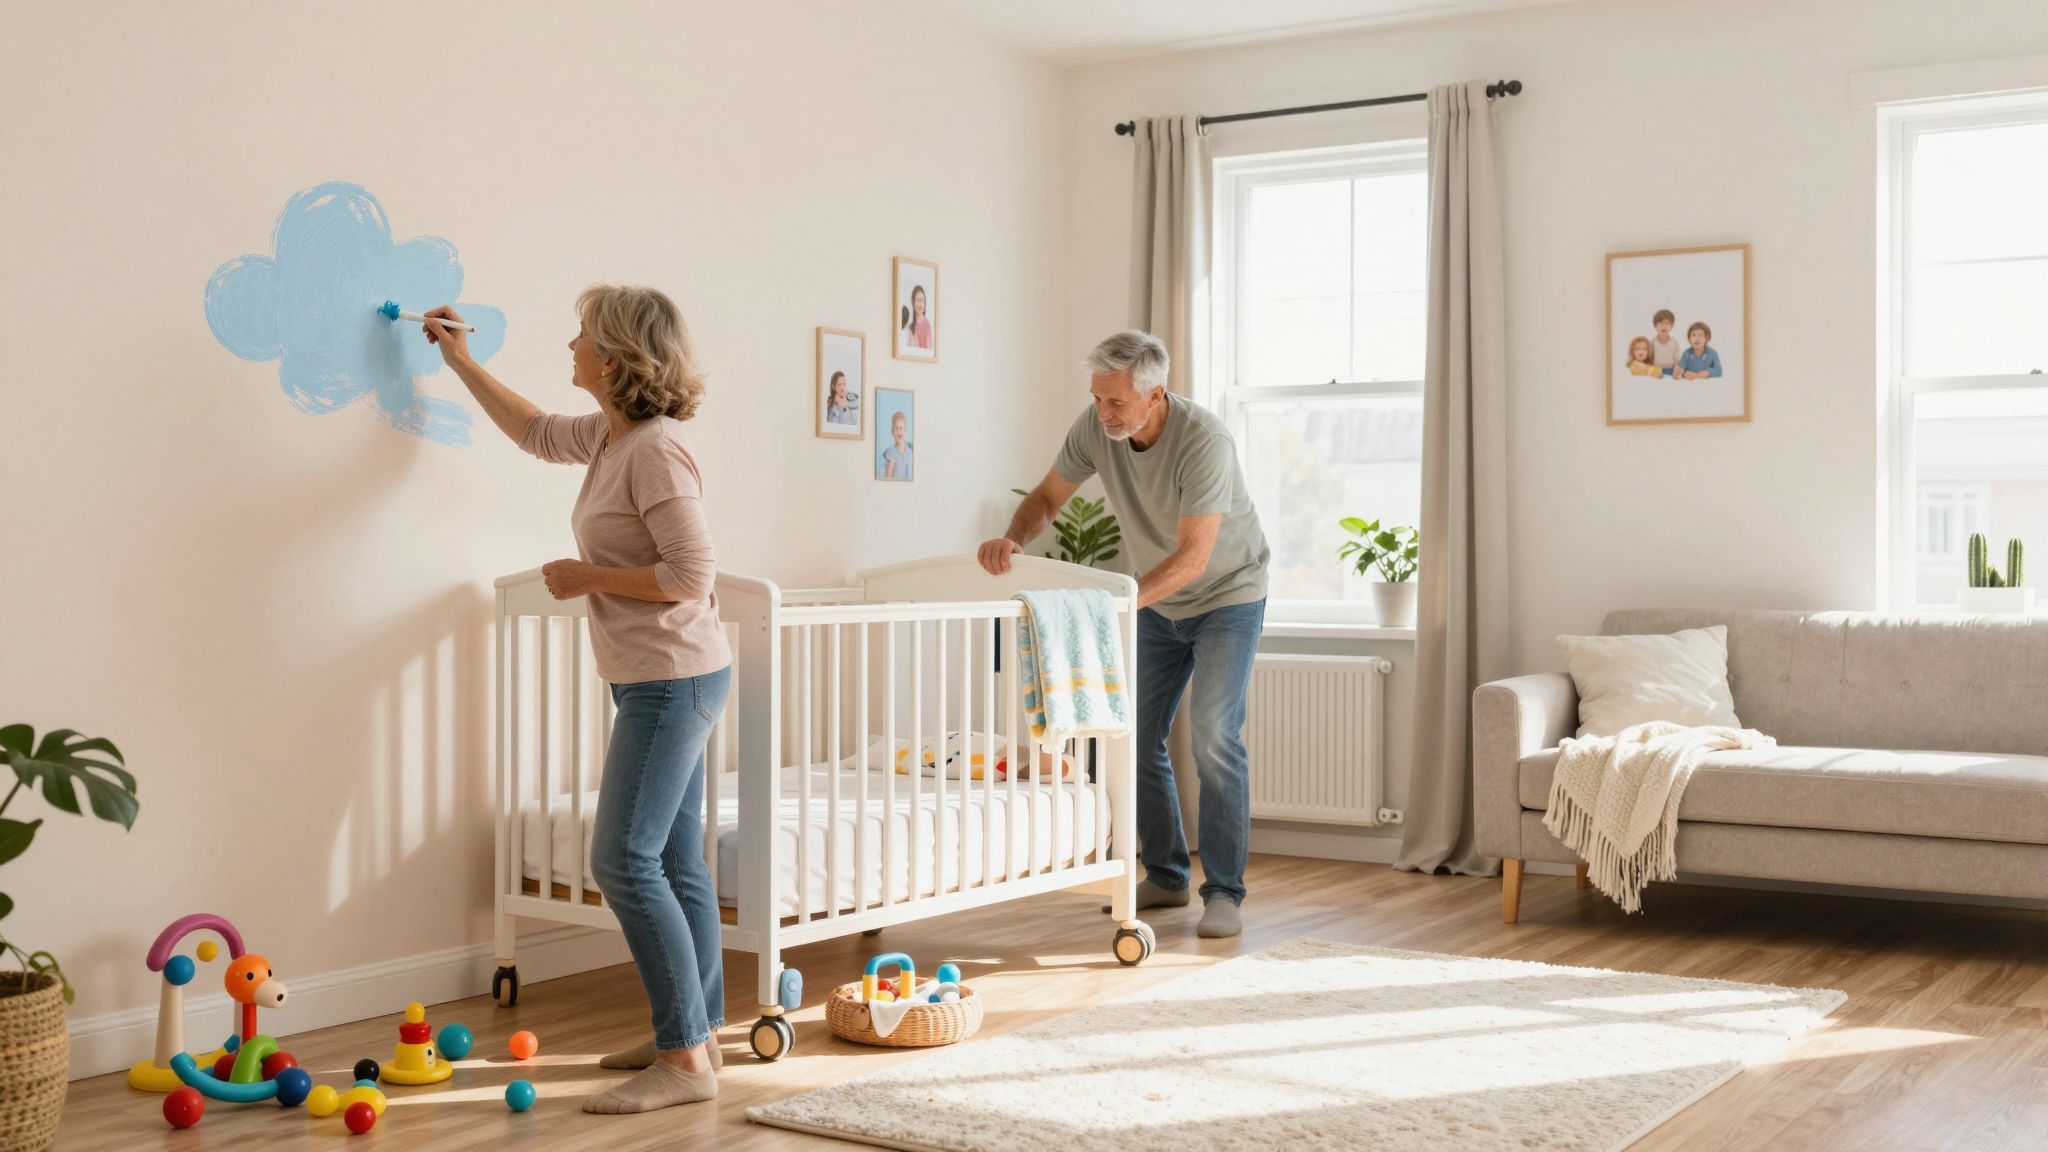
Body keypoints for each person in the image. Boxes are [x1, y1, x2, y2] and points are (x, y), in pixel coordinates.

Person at [422, 285, 729, 1115]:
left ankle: (683, 1060)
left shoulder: (656, 451)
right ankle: (697, 1035)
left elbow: (690, 575)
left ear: (617, 358)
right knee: (673, 860)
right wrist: (460, 361)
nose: (571, 346)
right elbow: (532, 430)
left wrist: (586, 576)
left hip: (673, 677)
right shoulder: (609, 436)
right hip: (661, 676)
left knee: (622, 858)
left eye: (583, 335)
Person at [979, 330, 1269, 938]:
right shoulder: (1095, 429)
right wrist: (1014, 537)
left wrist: (1119, 603)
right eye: (1097, 398)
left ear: (1155, 394)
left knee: (1214, 734)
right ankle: (1166, 875)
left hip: (1227, 595)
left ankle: (1224, 892)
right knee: (1130, 734)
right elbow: (1047, 497)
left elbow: (1194, 558)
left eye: (1115, 402)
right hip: (1157, 602)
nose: (1102, 412)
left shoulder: (1204, 440)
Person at [881, 409, 913, 479]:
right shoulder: (891, 452)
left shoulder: (910, 448)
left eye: (901, 428)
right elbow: (888, 478)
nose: (899, 431)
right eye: (896, 428)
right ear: (892, 431)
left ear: (905, 430)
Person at [1649, 309, 1682, 377]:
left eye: (1667, 323)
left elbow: (1676, 359)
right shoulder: (1652, 342)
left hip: (1670, 369)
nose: (1664, 326)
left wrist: (1676, 368)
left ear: (1672, 326)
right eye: (1660, 323)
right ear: (1655, 326)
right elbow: (1650, 358)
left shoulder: (1674, 342)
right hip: (1656, 369)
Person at [902, 283, 933, 350]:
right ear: (913, 302)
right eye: (918, 300)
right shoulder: (909, 328)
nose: (920, 304)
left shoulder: (928, 325)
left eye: (922, 301)